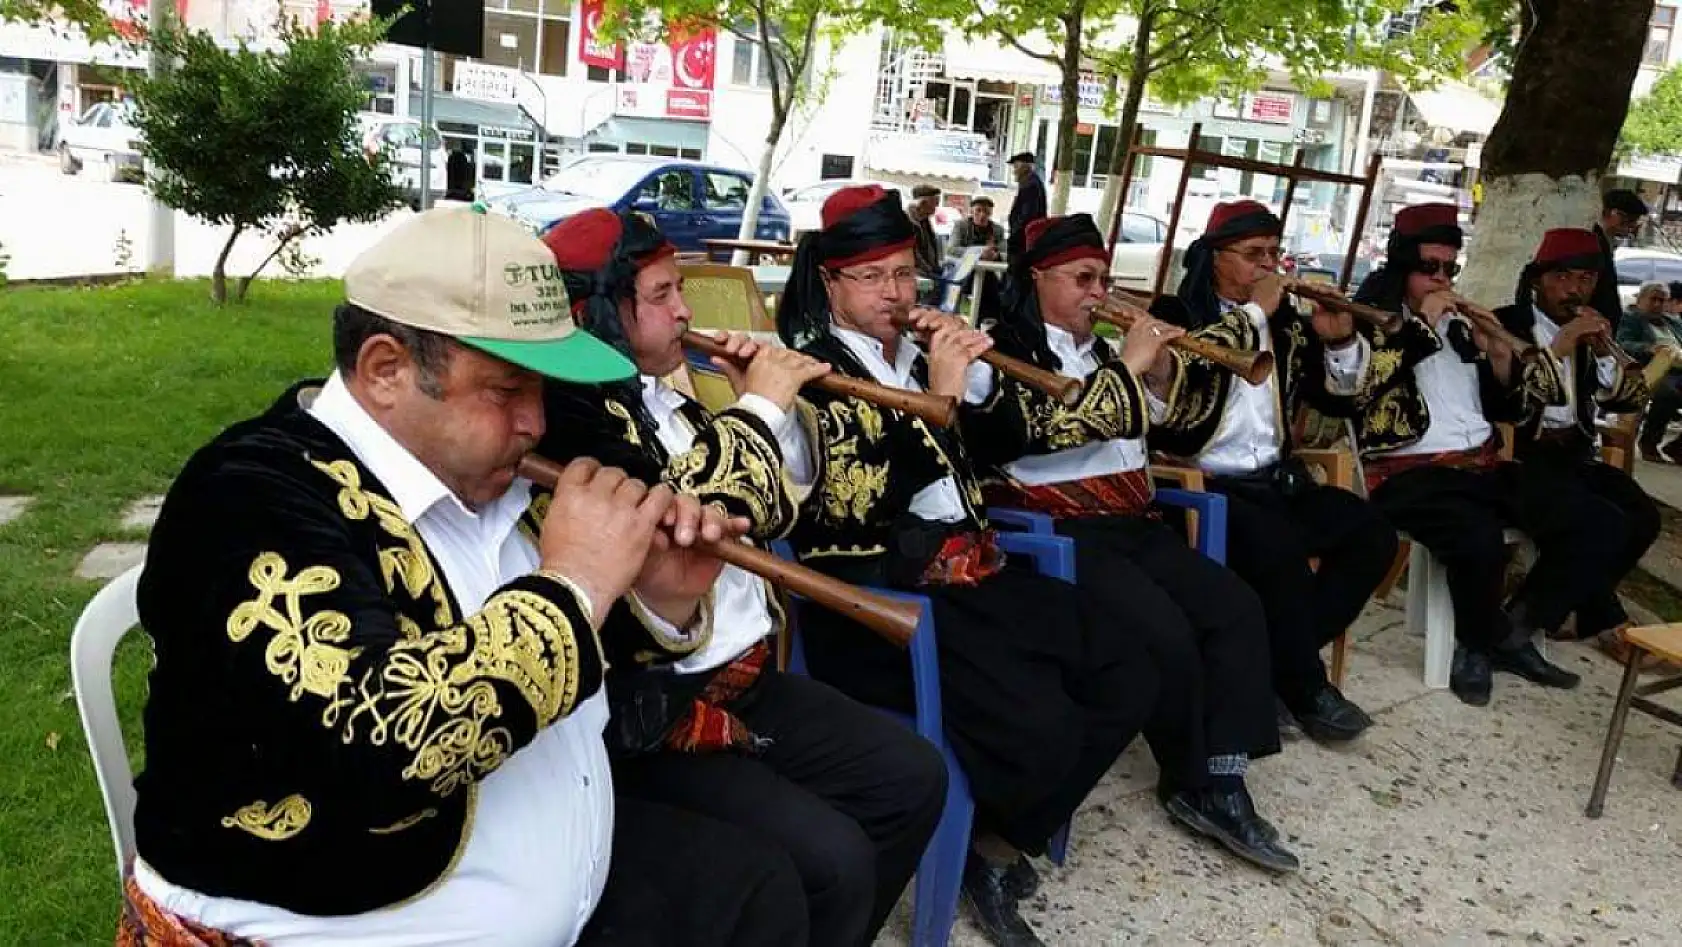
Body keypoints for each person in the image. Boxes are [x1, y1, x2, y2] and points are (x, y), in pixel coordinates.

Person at [122, 206, 808, 947]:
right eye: (506, 390)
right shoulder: (248, 495)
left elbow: (584, 653)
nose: (536, 423)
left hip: (532, 874)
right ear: (386, 369)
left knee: (768, 889)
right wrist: (574, 581)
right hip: (338, 917)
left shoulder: (487, 479)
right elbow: (384, 741)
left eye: (541, 390)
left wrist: (660, 590)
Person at [776, 185, 1203, 947]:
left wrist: (974, 379)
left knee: (1129, 667)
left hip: (975, 578)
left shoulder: (917, 352)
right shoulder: (812, 376)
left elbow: (1013, 436)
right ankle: (984, 846)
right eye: (872, 277)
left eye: (905, 273)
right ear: (830, 281)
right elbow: (856, 512)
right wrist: (936, 400)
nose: (896, 293)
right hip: (881, 604)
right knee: (1039, 717)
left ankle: (994, 842)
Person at [532, 208, 948, 947]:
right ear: (597, 312)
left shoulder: (680, 394)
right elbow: (685, 519)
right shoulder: (571, 419)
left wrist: (757, 406)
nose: (685, 311)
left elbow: (777, 514)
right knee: (831, 857)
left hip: (747, 678)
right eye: (661, 295)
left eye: (679, 290)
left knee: (912, 777)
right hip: (657, 709)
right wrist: (761, 405)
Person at [968, 213, 1299, 871]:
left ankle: (1220, 775)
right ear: (1038, 277)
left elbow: (1155, 421)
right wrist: (1131, 363)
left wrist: (1158, 372)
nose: (1098, 293)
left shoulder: (1100, 351)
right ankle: (1193, 779)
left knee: (1234, 607)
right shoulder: (994, 350)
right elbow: (1044, 432)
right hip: (1054, 530)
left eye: (1104, 278)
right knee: (1166, 632)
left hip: (1130, 522)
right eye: (1082, 279)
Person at [1149, 200, 1399, 743]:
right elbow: (1171, 404)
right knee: (1277, 548)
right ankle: (1306, 686)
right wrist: (1254, 315)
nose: (1268, 267)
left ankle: (1273, 667)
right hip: (1203, 487)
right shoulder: (1177, 312)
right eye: (1253, 255)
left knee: (1371, 535)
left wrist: (1338, 340)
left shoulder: (1286, 326)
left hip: (1274, 480)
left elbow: (1337, 403)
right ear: (1215, 257)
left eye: (1273, 254)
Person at [1336, 203, 1584, 705]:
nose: (1442, 280)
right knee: (1478, 535)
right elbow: (1358, 391)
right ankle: (1475, 645)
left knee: (1592, 521)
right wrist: (1421, 329)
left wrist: (1497, 356)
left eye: (1450, 269)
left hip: (1480, 464)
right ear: (1402, 267)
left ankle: (1510, 631)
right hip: (1407, 473)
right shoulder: (1370, 324)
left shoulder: (1457, 331)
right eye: (1430, 269)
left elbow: (1507, 411)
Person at [1494, 228, 1659, 664]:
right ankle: (1522, 625)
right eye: (1563, 277)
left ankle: (1576, 609)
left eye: (1585, 279)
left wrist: (1605, 352)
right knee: (1598, 522)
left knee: (1642, 517)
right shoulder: (1506, 323)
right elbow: (1508, 403)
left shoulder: (1590, 333)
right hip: (1516, 454)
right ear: (1538, 280)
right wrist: (1559, 347)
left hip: (1571, 453)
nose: (1574, 289)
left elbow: (1623, 399)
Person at [1616, 281, 1682, 463]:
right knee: (1669, 394)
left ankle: (1677, 447)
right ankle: (1649, 443)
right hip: (1650, 369)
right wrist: (1649, 348)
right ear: (1640, 299)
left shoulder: (1673, 322)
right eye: (1653, 299)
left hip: (1678, 369)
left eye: (1662, 301)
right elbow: (1622, 343)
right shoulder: (1630, 319)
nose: (1658, 305)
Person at [1594, 189, 1649, 328]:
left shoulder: (1606, 242)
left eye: (1633, 223)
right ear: (1612, 213)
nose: (1629, 228)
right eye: (1628, 221)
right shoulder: (1594, 241)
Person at [1006, 152, 1047, 260]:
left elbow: (1027, 216)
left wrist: (1015, 236)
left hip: (1023, 241)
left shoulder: (1030, 185)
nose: (1014, 171)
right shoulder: (1031, 182)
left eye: (1016, 166)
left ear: (1025, 166)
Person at [950, 196, 1004, 262]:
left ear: (991, 213)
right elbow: (951, 249)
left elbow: (1004, 252)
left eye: (986, 211)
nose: (982, 215)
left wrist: (996, 255)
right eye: (978, 210)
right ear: (972, 211)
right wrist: (979, 253)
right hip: (966, 266)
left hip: (989, 267)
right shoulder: (961, 226)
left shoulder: (998, 229)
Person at [909, 184, 944, 283]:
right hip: (918, 275)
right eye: (935, 202)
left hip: (929, 273)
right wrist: (930, 271)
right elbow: (914, 253)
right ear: (922, 203)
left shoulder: (925, 220)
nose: (937, 206)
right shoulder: (909, 221)